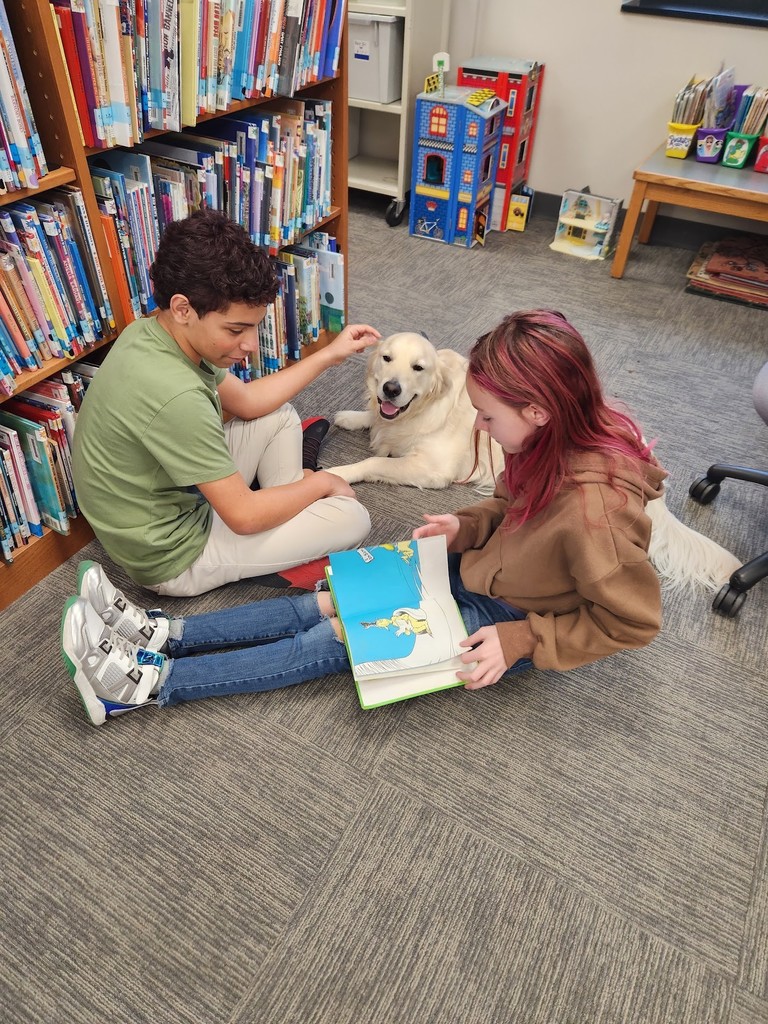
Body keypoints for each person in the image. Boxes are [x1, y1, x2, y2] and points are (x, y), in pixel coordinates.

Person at [62, 309, 666, 725]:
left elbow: (633, 623)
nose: (478, 429)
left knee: (330, 638)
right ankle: (166, 635)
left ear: (537, 409)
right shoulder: (537, 438)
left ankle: (145, 688)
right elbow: (512, 505)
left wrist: (526, 638)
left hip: (506, 615)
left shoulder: (598, 516)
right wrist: (469, 526)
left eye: (486, 417)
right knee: (337, 591)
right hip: (480, 567)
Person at [71, 209, 379, 600]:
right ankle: (292, 516)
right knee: (352, 517)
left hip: (168, 501)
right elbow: (244, 517)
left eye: (254, 327)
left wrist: (327, 355)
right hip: (174, 557)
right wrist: (322, 483)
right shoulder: (177, 396)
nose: (250, 345)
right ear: (184, 309)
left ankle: (288, 508)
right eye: (235, 329)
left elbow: (249, 402)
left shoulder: (152, 331)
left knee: (280, 415)